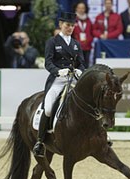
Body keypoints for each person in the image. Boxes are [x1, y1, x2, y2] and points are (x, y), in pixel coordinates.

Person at [33, 12, 85, 157]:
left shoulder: (76, 44)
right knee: (48, 108)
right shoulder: (53, 42)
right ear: (61, 25)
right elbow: (48, 62)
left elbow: (82, 62)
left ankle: (100, 135)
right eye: (68, 25)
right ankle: (40, 141)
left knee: (89, 101)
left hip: (74, 79)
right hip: (58, 80)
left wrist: (81, 71)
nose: (70, 28)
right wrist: (58, 71)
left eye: (72, 26)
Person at [72, 0, 94, 68]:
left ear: (85, 9)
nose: (81, 10)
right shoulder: (72, 19)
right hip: (76, 47)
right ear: (76, 8)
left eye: (83, 8)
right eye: (79, 8)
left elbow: (92, 32)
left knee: (86, 65)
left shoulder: (88, 20)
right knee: (77, 65)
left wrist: (88, 40)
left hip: (87, 47)